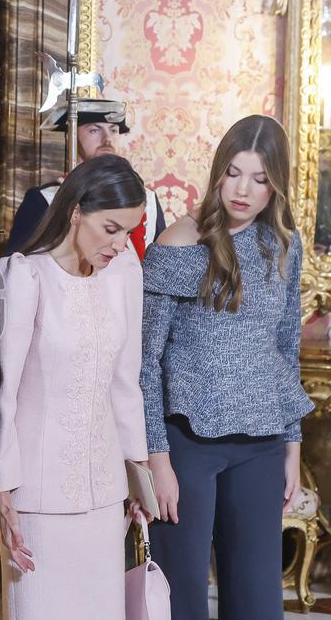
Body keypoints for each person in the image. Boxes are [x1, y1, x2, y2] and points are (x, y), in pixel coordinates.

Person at [140, 115, 314, 619]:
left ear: (275, 184)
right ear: (218, 172)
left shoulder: (283, 244)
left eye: (261, 179)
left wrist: (292, 445)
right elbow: (144, 363)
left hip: (261, 445)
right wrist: (157, 458)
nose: (244, 190)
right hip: (187, 446)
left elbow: (285, 349)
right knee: (182, 599)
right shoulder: (179, 244)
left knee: (259, 602)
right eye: (235, 172)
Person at [0, 154, 150, 620]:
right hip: (37, 499)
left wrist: (138, 475)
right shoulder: (24, 274)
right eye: (111, 228)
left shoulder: (125, 273)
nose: (121, 244)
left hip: (105, 496)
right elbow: (5, 391)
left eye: (130, 231)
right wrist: (4, 491)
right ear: (76, 210)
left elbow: (126, 382)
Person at [5, 98, 167, 258]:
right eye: (94, 130)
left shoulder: (148, 199)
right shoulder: (44, 199)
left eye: (113, 130)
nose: (107, 139)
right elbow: (21, 265)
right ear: (71, 136)